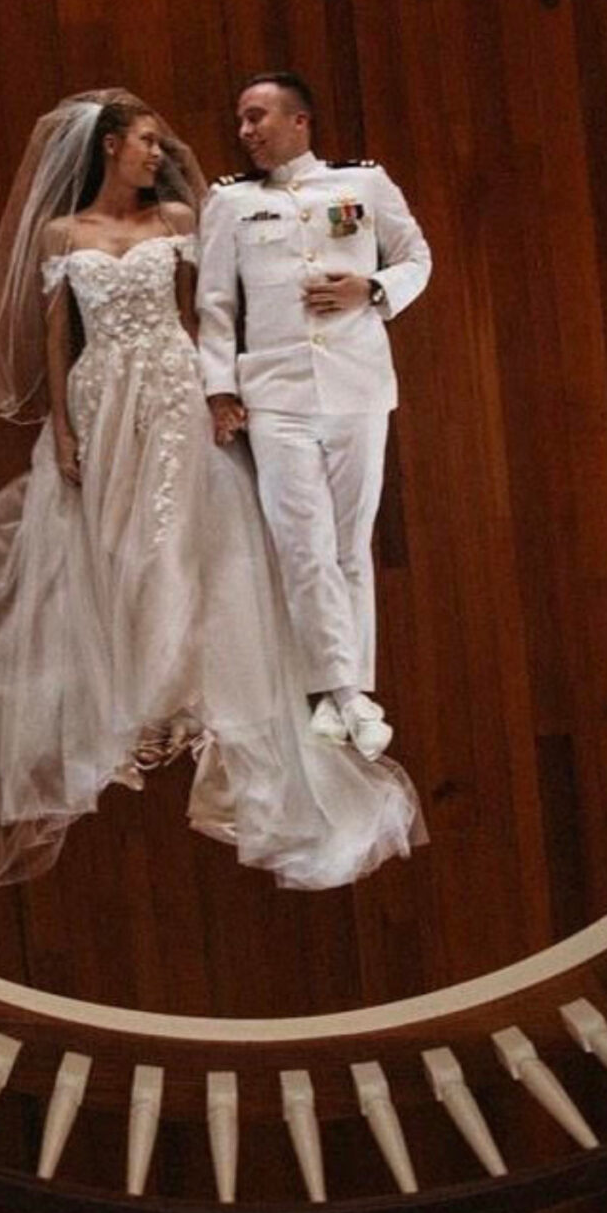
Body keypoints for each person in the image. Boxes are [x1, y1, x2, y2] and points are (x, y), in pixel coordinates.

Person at [0, 90, 422, 890]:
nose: (158, 154)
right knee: (109, 548)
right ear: (110, 148)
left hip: (172, 383)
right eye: (146, 143)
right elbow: (59, 331)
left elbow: (206, 314)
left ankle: (191, 698)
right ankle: (128, 702)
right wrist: (60, 424)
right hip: (101, 394)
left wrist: (217, 390)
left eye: (159, 143)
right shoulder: (63, 234)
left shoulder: (184, 221)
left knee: (191, 545)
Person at [198, 74, 432, 758]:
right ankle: (346, 690)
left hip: (357, 385)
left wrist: (373, 288)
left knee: (347, 542)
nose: (245, 131)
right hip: (277, 396)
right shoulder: (230, 202)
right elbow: (214, 304)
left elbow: (417, 258)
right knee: (300, 544)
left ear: (299, 121)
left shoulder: (362, 184)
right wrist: (218, 387)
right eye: (240, 120)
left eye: (256, 116)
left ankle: (341, 694)